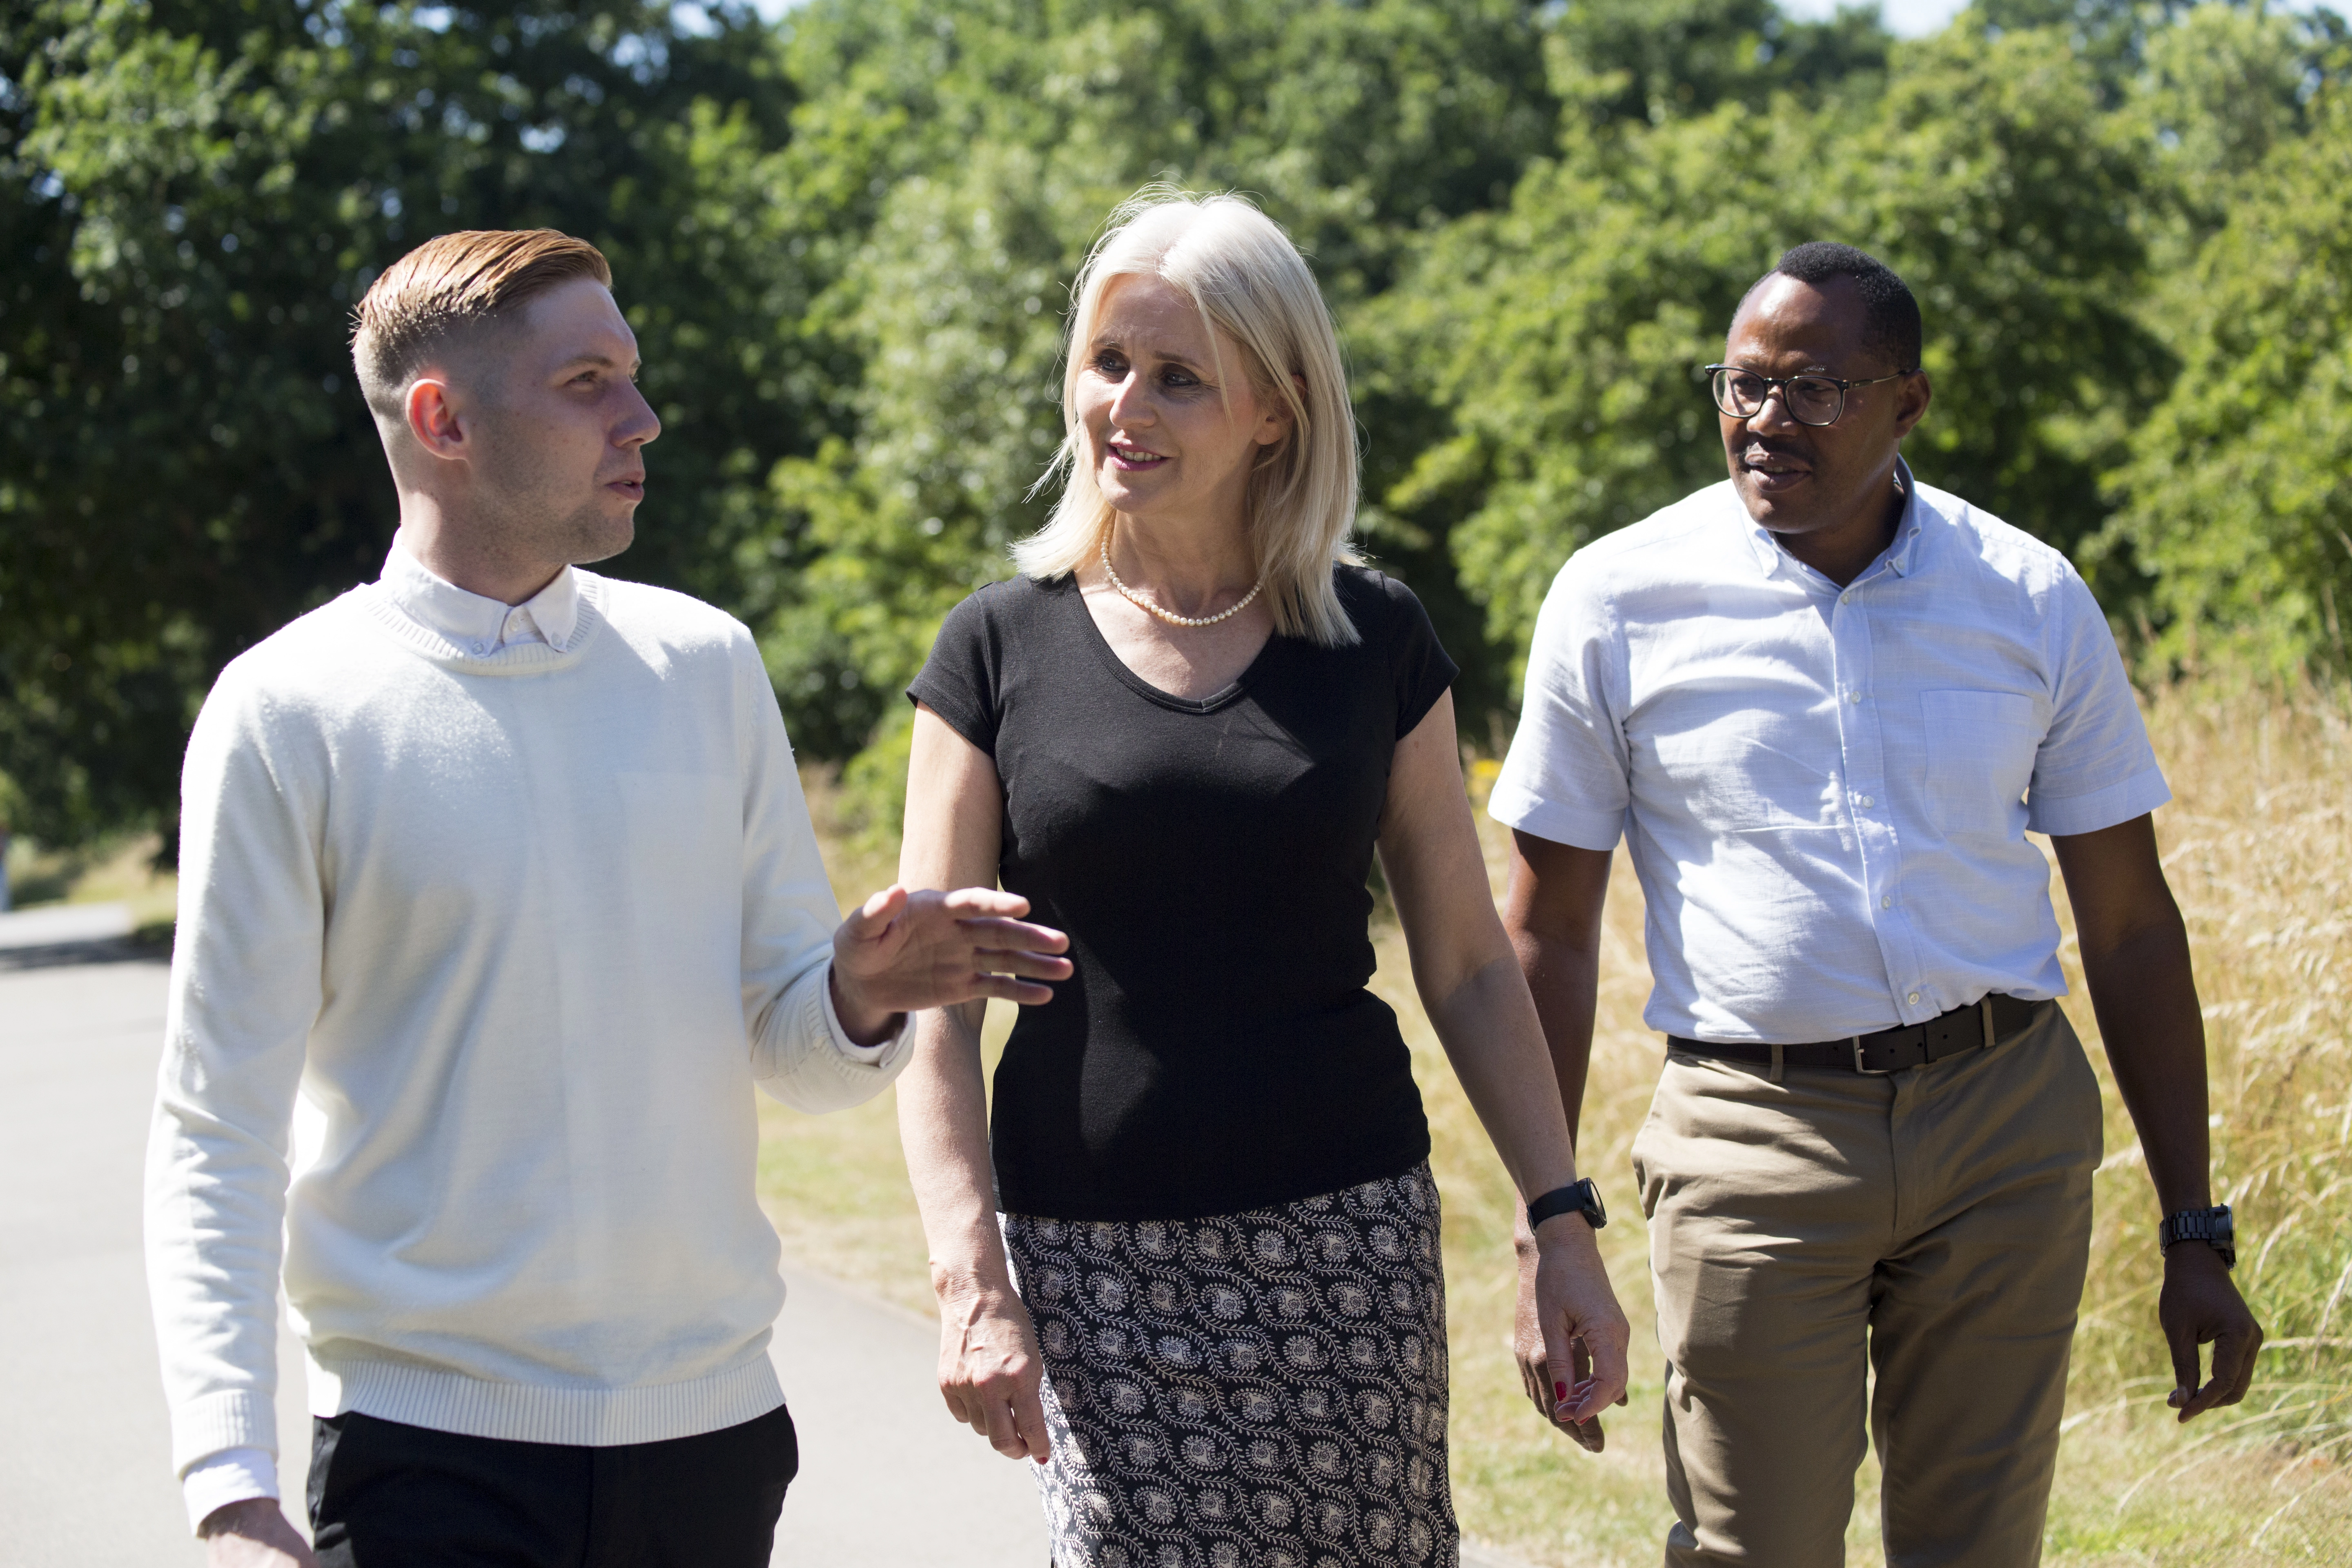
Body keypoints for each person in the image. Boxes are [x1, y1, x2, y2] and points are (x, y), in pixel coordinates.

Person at [146, 228, 1072, 1568]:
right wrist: (229, 1486)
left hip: (713, 1446)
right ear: (441, 419)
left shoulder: (703, 663)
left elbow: (794, 1055)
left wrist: (860, 996)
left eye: (632, 375)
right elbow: (214, 1128)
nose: (641, 417)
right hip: (425, 1464)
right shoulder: (289, 711)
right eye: (588, 381)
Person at [1491, 241, 2264, 1566]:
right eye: (1740, 387)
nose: (1764, 422)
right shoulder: (1618, 598)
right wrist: (1545, 1223)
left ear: (1908, 405)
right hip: (1751, 1134)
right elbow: (1546, 932)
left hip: (2002, 1131)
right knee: (1754, 1549)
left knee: (1977, 1549)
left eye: (1813, 390)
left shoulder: (2027, 596)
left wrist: (2195, 1230)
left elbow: (2132, 923)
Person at [892, 189, 1631, 1568]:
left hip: (1342, 1238)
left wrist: (1558, 1223)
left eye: (1181, 378)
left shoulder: (1374, 637)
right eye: (1110, 362)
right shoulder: (994, 651)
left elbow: (1468, 962)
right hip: (1092, 1257)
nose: (1129, 405)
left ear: (1277, 410)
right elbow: (938, 1010)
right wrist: (968, 1277)